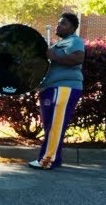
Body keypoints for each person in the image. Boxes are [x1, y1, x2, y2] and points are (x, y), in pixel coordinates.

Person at [30, 13, 85, 170]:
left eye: (63, 24)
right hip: (53, 88)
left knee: (55, 125)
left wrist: (54, 56)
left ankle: (47, 160)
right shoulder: (62, 43)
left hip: (64, 88)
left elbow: (78, 58)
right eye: (58, 23)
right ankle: (55, 158)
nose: (58, 26)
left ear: (73, 27)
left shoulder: (75, 41)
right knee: (51, 124)